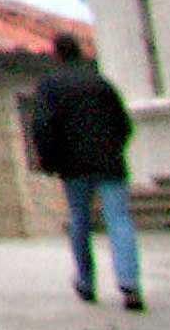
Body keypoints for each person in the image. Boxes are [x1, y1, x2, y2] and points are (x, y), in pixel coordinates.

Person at [29, 31, 143, 312]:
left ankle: (86, 281)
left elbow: (42, 126)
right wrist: (114, 149)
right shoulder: (101, 83)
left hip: (73, 166)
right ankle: (130, 284)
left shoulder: (51, 86)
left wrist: (48, 159)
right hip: (109, 163)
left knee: (80, 221)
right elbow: (123, 123)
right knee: (120, 220)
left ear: (56, 54)